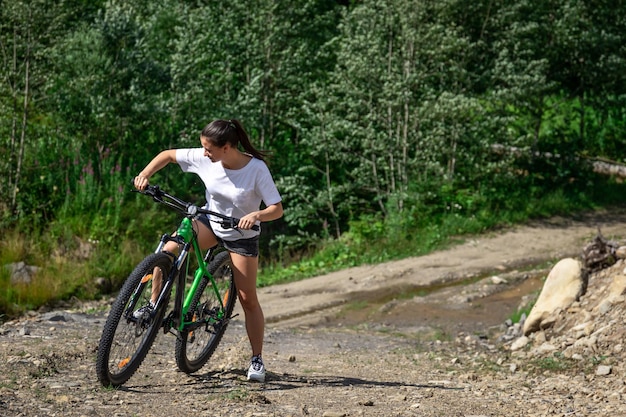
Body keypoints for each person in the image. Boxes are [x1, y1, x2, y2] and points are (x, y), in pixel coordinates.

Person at [133, 119, 283, 383]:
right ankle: (153, 307)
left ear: (226, 147)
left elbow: (276, 209)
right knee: (166, 254)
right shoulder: (208, 158)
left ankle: (256, 359)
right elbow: (167, 155)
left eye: (208, 148)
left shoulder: (256, 169)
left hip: (241, 235)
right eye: (202, 147)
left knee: (248, 298)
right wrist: (145, 174)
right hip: (209, 223)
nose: (203, 153)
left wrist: (256, 214)